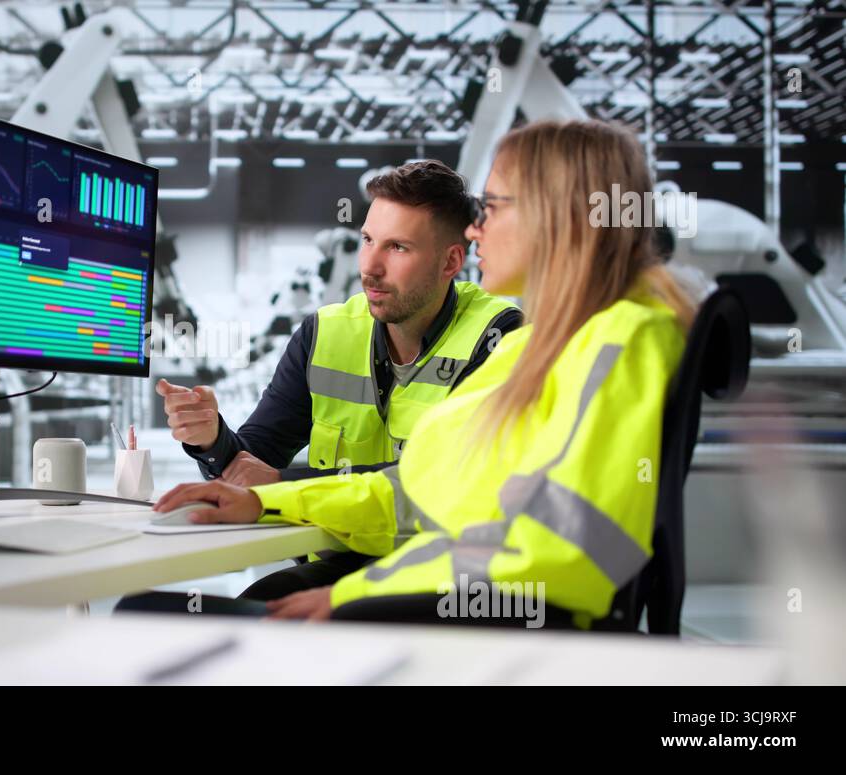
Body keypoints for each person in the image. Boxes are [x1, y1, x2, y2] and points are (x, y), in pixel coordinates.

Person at [148, 119, 698, 627]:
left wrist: (356, 595)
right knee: (171, 610)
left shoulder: (618, 339)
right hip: (443, 597)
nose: (479, 231)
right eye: (368, 240)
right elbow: (415, 494)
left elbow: (563, 548)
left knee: (154, 613)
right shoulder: (542, 346)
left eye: (496, 208)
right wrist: (267, 500)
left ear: (553, 215)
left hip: (488, 622)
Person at [150, 161, 521, 598]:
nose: (371, 266)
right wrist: (212, 439)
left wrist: (284, 484)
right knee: (186, 607)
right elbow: (253, 461)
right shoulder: (323, 333)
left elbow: (441, 482)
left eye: (397, 248)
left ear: (450, 262)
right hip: (341, 557)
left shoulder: (496, 337)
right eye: (368, 240)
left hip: (443, 576)